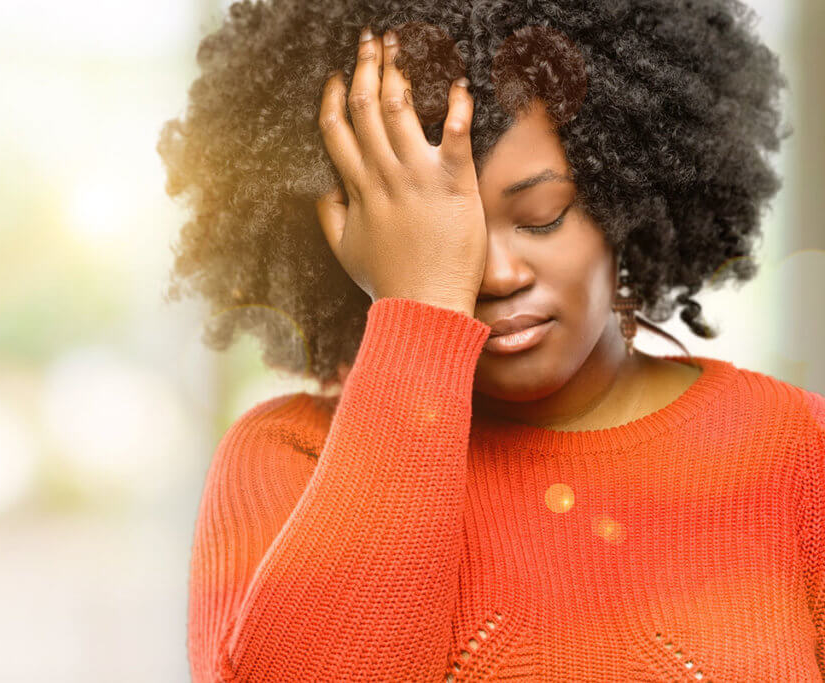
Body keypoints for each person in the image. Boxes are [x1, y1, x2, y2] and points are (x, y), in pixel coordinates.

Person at [159, 2, 823, 680]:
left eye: (541, 217)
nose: (499, 274)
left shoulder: (799, 450)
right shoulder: (287, 461)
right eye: (438, 239)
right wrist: (419, 304)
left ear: (628, 191)